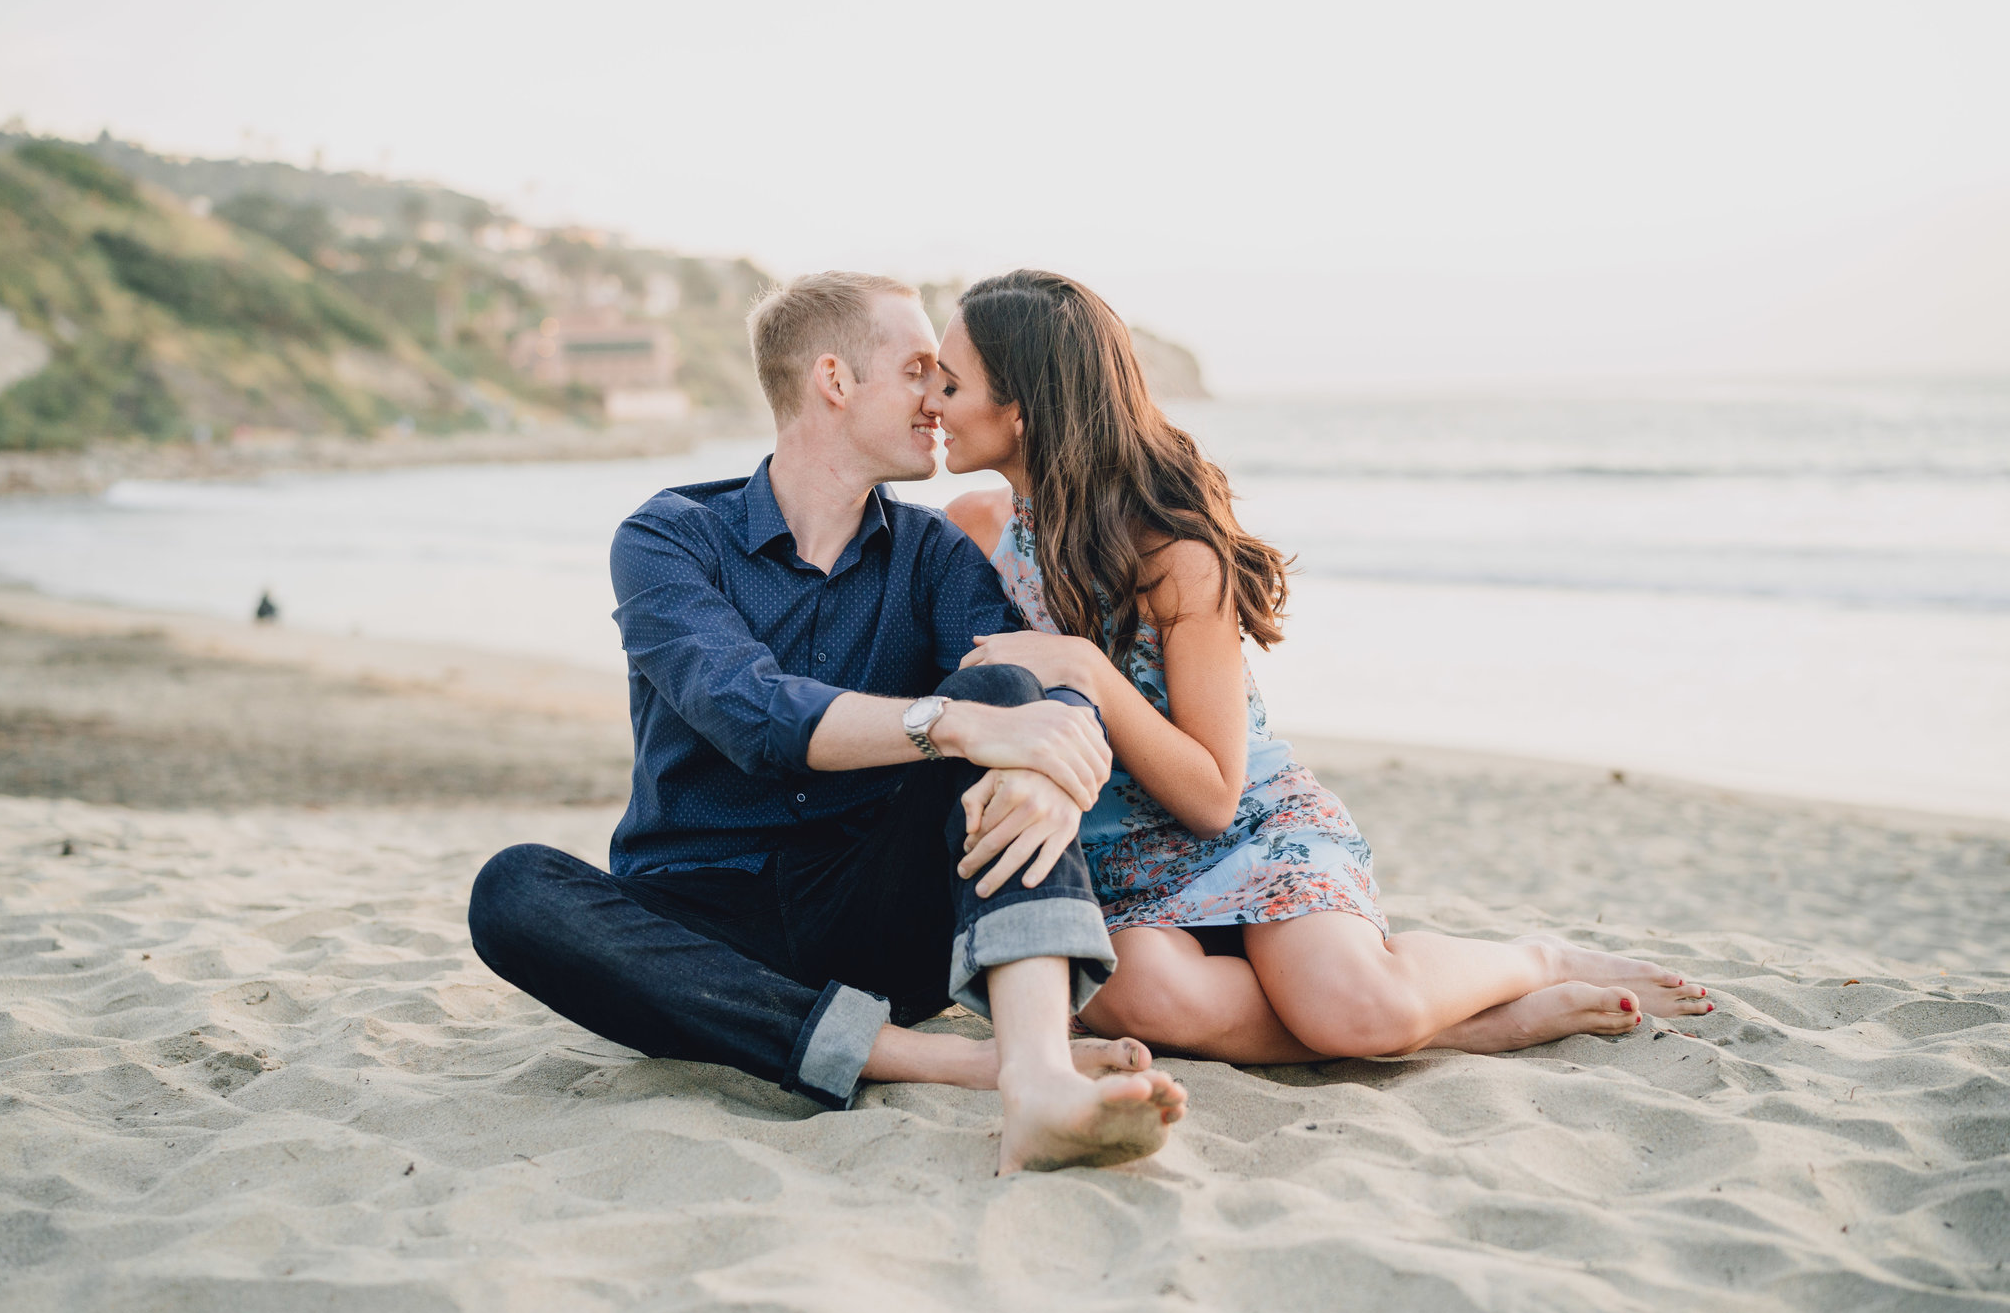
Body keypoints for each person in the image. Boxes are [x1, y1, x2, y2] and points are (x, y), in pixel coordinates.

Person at [468, 272, 1185, 1174]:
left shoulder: (932, 555)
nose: (941, 398)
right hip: (702, 926)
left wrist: (1055, 758)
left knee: (1004, 696)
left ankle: (1038, 1079)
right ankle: (957, 1059)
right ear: (836, 381)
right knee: (511, 890)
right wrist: (952, 726)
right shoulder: (669, 538)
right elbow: (752, 710)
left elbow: (1025, 677)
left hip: (878, 910)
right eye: (920, 369)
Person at [936, 270, 1716, 1064]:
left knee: (1356, 1013)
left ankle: (1535, 960)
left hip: (1246, 828)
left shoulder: (1172, 554)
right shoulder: (972, 531)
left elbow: (1212, 795)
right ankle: (1472, 1026)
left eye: (950, 381)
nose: (932, 400)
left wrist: (1089, 670)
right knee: (1137, 997)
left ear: (1021, 409)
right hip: (1115, 867)